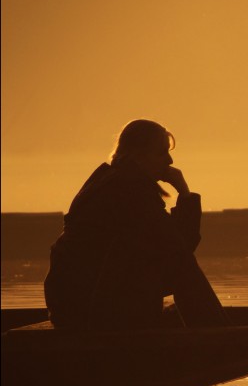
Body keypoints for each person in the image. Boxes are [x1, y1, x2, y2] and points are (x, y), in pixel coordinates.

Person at [44, 119, 229, 330]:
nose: (169, 160)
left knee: (176, 264)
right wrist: (185, 194)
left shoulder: (111, 180)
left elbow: (171, 243)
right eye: (161, 153)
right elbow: (179, 247)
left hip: (72, 303)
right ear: (138, 155)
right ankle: (218, 336)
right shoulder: (128, 190)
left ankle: (214, 332)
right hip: (87, 308)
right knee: (183, 266)